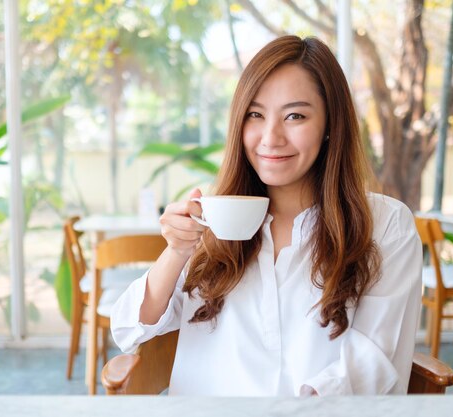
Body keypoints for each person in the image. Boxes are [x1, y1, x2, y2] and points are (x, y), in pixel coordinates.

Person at [111, 35, 422, 396]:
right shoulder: (215, 220)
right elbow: (129, 330)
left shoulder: (385, 226)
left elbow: (375, 362)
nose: (270, 138)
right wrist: (176, 251)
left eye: (295, 116)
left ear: (330, 127)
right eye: (255, 115)